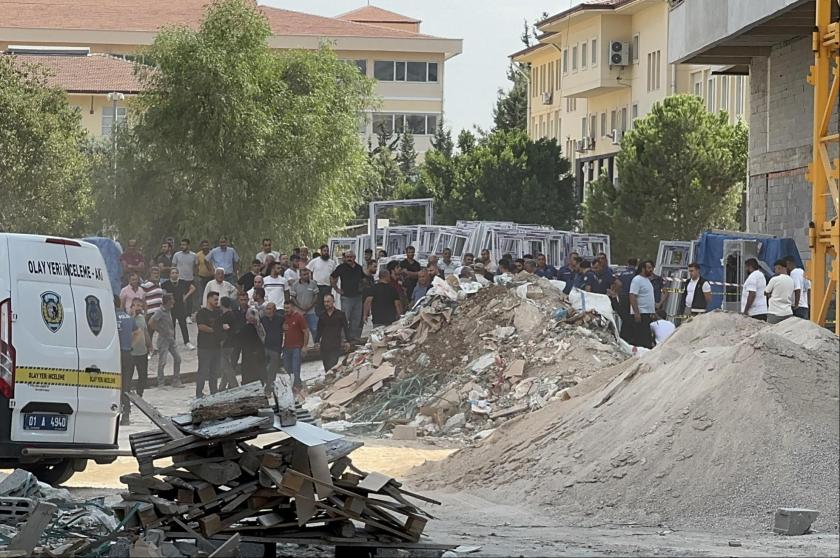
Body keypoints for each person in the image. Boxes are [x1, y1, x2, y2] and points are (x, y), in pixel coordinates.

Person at [149, 293, 183, 388]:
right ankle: (160, 382)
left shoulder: (169, 310)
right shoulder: (160, 311)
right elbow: (151, 322)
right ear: (167, 301)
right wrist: (160, 330)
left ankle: (176, 380)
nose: (174, 302)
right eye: (172, 300)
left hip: (171, 338)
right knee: (162, 361)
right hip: (163, 339)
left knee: (178, 358)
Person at [331, 250, 365, 342]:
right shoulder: (341, 267)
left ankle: (352, 337)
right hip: (346, 297)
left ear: (354, 258)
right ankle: (343, 338)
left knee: (356, 318)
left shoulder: (359, 268)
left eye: (351, 257)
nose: (349, 259)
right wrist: (336, 289)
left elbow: (363, 279)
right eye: (347, 257)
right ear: (345, 258)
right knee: (345, 318)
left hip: (358, 297)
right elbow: (332, 277)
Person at [115, 296, 138, 425]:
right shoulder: (128, 318)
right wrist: (131, 344)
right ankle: (126, 415)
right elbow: (138, 332)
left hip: (115, 356)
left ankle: (116, 413)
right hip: (127, 353)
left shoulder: (110, 318)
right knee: (126, 385)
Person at [196, 292, 222, 397]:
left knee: (214, 372)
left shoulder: (218, 313)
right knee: (203, 371)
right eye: (215, 299)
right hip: (204, 347)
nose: (217, 302)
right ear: (209, 299)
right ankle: (199, 393)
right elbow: (201, 326)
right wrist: (215, 330)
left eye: (217, 300)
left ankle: (214, 392)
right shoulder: (202, 313)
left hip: (216, 346)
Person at [162, 268, 195, 350]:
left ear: (178, 274)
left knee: (183, 324)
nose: (174, 274)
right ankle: (172, 343)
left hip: (180, 306)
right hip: (171, 306)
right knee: (171, 325)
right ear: (170, 274)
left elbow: (193, 288)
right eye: (172, 273)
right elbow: (161, 291)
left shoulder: (182, 282)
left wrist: (186, 297)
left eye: (176, 272)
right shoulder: (166, 283)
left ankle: (187, 342)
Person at [315, 294, 350, 372]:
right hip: (325, 345)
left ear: (333, 302)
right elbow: (319, 330)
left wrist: (348, 341)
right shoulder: (322, 315)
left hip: (335, 345)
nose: (326, 304)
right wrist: (317, 341)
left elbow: (346, 328)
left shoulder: (340, 314)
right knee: (326, 367)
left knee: (333, 365)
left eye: (328, 301)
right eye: (325, 302)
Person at [283, 301, 309, 395]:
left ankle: (297, 387)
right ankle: (296, 384)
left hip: (297, 347)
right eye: (285, 308)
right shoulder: (284, 318)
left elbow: (306, 331)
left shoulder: (299, 317)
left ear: (293, 307)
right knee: (287, 368)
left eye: (288, 308)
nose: (286, 310)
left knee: (295, 368)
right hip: (286, 347)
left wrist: (305, 346)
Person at [629, 260, 656, 349]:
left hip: (647, 314)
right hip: (641, 314)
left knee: (647, 339)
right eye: (649, 268)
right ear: (643, 269)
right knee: (642, 340)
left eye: (652, 268)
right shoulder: (637, 280)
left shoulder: (647, 280)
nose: (651, 270)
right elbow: (632, 296)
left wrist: (652, 311)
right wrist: (637, 313)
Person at [130, 298, 151, 398]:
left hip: (142, 351)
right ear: (132, 306)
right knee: (129, 376)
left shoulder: (142, 318)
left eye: (140, 306)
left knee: (143, 375)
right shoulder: (128, 318)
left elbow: (145, 331)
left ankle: (139, 394)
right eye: (136, 305)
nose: (139, 308)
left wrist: (149, 344)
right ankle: (127, 395)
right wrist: (133, 315)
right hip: (131, 352)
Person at [239, 306, 266, 386]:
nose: (253, 317)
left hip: (258, 356)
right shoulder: (245, 328)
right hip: (249, 357)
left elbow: (263, 338)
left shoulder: (259, 326)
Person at [171, 239, 197, 319]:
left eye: (184, 245)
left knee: (189, 299)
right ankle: (178, 315)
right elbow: (173, 266)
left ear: (188, 246)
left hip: (189, 279)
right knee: (179, 298)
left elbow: (195, 267)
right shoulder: (177, 255)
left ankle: (188, 316)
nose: (182, 246)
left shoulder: (194, 255)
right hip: (179, 279)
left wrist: (194, 276)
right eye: (181, 245)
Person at [217, 296, 239, 391]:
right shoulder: (232, 315)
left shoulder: (226, 316)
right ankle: (222, 387)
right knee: (226, 365)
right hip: (232, 343)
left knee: (225, 367)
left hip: (226, 344)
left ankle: (234, 386)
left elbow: (224, 329)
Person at [307, 244, 336, 315]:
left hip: (327, 286)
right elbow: (308, 270)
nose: (326, 252)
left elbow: (335, 275)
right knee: (318, 305)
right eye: (324, 251)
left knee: (327, 305)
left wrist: (334, 284)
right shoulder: (315, 261)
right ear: (321, 252)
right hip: (317, 286)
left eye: (327, 251)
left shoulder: (332, 263)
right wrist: (311, 282)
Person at [765, 259, 795, 324]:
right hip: (788, 313)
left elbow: (766, 292)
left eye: (775, 269)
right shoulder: (791, 280)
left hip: (774, 313)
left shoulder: (775, 279)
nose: (774, 271)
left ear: (779, 267)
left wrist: (769, 295)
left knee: (771, 331)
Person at [261, 302, 284, 387]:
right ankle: (266, 383)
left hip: (276, 347)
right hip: (265, 346)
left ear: (275, 310)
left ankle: (269, 384)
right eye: (267, 309)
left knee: (272, 368)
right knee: (264, 367)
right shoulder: (263, 320)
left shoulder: (280, 319)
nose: (268, 311)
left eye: (270, 309)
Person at [292, 268, 319, 336]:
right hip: (299, 312)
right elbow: (293, 297)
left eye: (307, 274)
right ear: (300, 275)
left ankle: (316, 344)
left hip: (311, 311)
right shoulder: (295, 284)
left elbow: (316, 296)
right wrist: (300, 306)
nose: (306, 276)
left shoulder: (313, 283)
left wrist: (310, 306)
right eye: (304, 274)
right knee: (300, 330)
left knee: (314, 329)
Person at [608, 277, 633, 344]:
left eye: (620, 286)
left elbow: (623, 312)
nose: (619, 288)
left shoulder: (624, 297)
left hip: (625, 327)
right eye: (617, 286)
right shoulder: (607, 297)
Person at [196, 240, 215, 306]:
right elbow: (196, 266)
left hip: (211, 277)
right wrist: (196, 276)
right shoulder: (198, 255)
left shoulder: (212, 254)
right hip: (201, 278)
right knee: (201, 294)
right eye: (204, 245)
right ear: (201, 246)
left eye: (207, 245)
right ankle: (201, 308)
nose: (205, 247)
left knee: (211, 294)